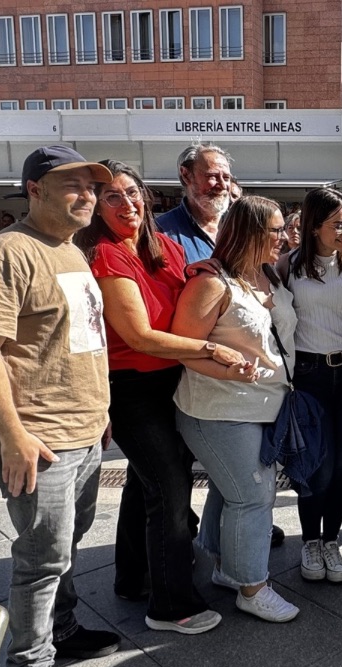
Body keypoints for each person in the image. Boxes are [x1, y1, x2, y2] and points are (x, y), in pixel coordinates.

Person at [0, 146, 119, 667]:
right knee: (42, 560)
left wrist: (99, 413)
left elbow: (77, 341)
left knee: (65, 547)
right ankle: (31, 661)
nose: (88, 196)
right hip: (40, 438)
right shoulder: (6, 252)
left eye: (92, 187)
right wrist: (12, 436)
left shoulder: (70, 250)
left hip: (85, 430)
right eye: (73, 185)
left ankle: (63, 629)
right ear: (34, 189)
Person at [74, 160, 231, 635]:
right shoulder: (105, 253)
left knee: (147, 485)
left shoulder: (159, 244)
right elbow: (139, 336)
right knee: (169, 489)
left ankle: (134, 576)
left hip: (172, 382)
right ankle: (171, 605)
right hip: (132, 388)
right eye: (113, 197)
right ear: (97, 208)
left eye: (132, 193)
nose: (128, 204)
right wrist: (211, 348)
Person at [171, 195, 302, 622]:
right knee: (253, 496)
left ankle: (228, 568)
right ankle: (252, 587)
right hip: (219, 410)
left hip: (264, 406)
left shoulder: (267, 275)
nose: (285, 237)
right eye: (276, 230)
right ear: (248, 233)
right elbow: (184, 348)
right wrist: (229, 372)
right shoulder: (211, 282)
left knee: (233, 492)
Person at [275, 188, 342, 584]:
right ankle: (310, 540)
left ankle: (331, 540)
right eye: (338, 224)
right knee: (316, 464)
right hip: (309, 375)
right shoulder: (286, 268)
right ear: (314, 227)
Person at [157, 142, 234, 263]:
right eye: (212, 176)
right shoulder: (161, 231)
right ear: (186, 176)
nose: (223, 185)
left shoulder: (241, 225)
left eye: (226, 178)